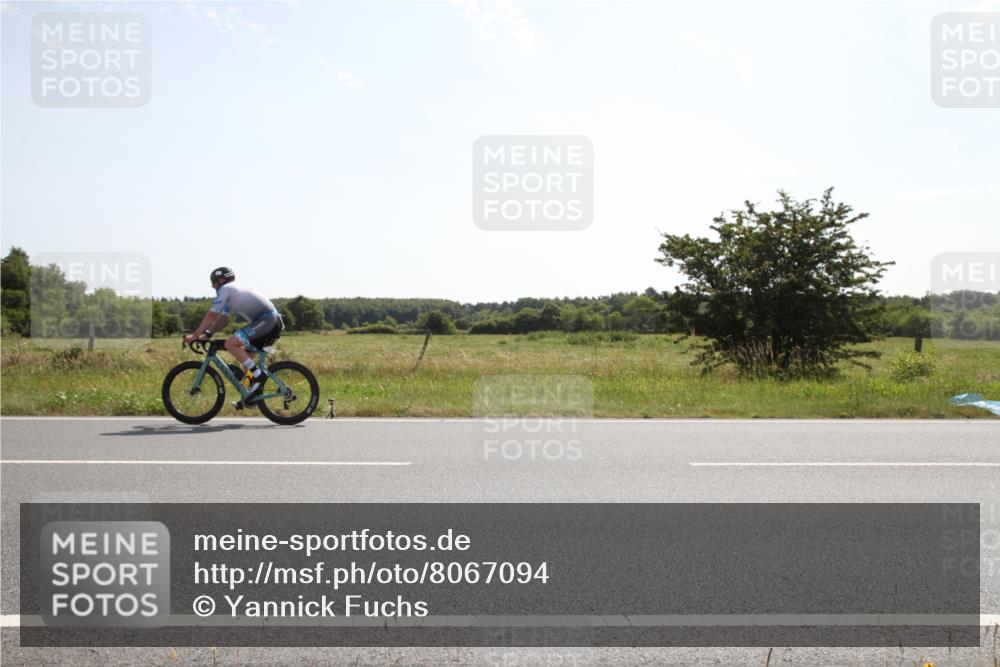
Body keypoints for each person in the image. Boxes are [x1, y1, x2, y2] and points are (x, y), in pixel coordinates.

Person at [183, 267, 284, 402]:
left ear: (221, 280)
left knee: (230, 343)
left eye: (213, 282)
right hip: (270, 322)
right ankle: (252, 398)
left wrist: (194, 336)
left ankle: (259, 376)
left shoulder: (225, 289)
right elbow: (222, 319)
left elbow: (212, 315)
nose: (212, 286)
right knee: (246, 361)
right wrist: (207, 334)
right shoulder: (232, 292)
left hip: (268, 320)